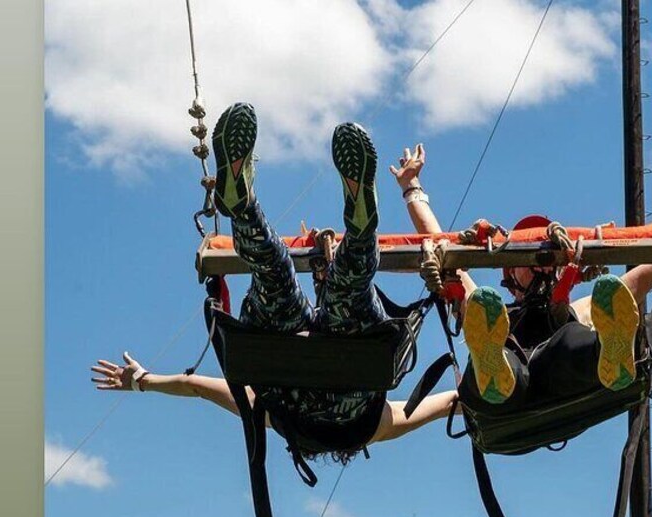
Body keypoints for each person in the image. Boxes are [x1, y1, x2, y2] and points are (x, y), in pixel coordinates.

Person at [91, 103, 458, 462]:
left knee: (350, 286)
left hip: (357, 371)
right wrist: (143, 380)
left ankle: (360, 230)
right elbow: (198, 387)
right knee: (271, 273)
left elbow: (451, 402)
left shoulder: (379, 427)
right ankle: (244, 206)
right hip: (284, 368)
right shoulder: (277, 421)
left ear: (354, 452)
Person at [388, 142, 652, 413]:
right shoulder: (490, 315)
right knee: (498, 348)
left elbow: (648, 273)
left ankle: (609, 352)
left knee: (572, 336)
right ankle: (495, 366)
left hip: (566, 377)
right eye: (526, 257)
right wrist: (412, 188)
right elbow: (444, 253)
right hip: (506, 398)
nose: (538, 264)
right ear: (509, 274)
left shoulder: (578, 309)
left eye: (544, 255)